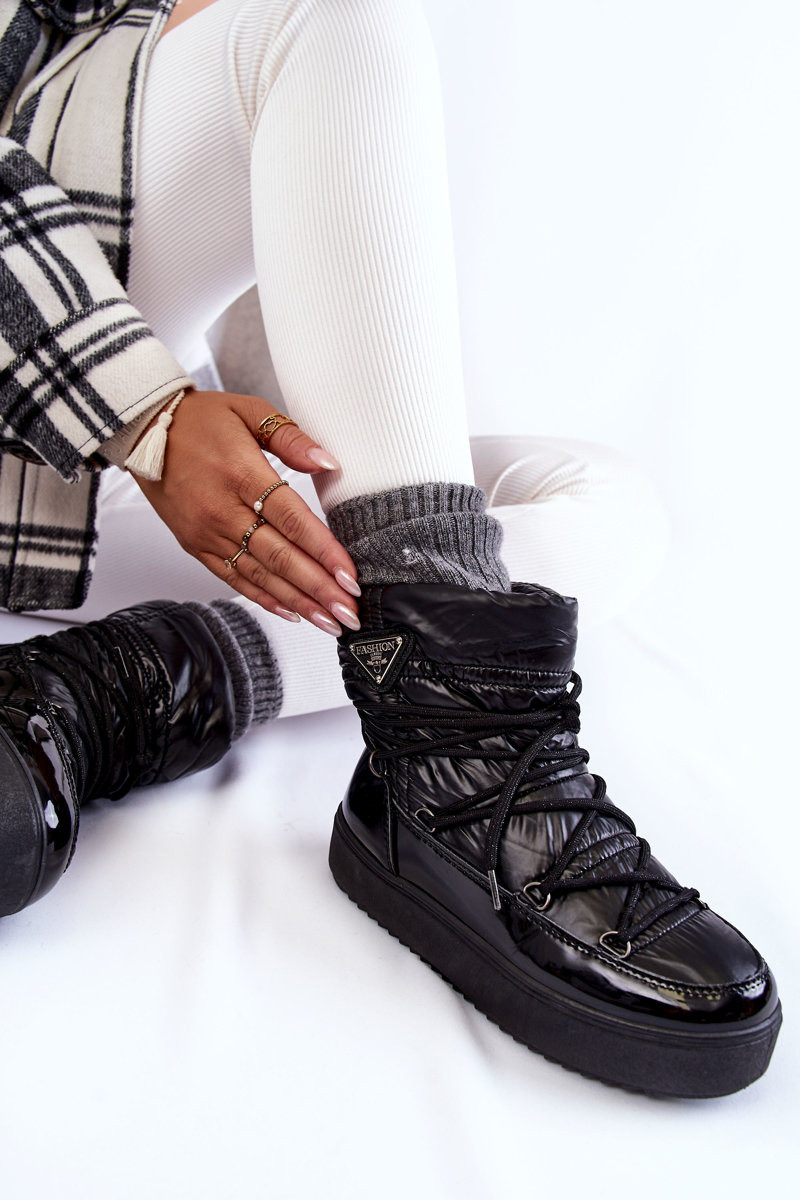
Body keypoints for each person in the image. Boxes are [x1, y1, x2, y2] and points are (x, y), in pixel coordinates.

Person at [0, 0, 781, 1097]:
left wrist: (272, 448)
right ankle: (459, 760)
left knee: (607, 509)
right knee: (333, 19)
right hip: (60, 384)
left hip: (82, 493)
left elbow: (277, 289)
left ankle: (107, 686)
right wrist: (148, 416)